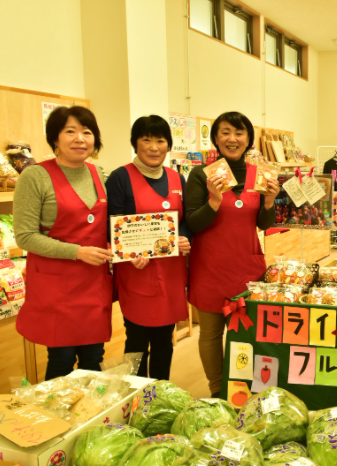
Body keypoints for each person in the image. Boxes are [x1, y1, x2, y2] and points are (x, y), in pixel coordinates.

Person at [14, 106, 113, 380]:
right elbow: (25, 236)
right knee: (62, 360)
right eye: (70, 131)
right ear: (55, 138)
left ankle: (92, 419)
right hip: (56, 286)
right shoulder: (35, 176)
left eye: (87, 131)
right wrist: (77, 252)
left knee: (94, 359)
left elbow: (103, 224)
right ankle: (57, 422)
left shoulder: (98, 173)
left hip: (93, 283)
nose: (80, 138)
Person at [186, 111, 279, 397]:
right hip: (209, 268)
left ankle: (248, 390)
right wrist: (214, 201)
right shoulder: (202, 174)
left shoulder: (260, 175)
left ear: (249, 139)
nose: (232, 138)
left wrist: (270, 202)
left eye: (239, 133)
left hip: (247, 268)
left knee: (249, 335)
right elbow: (192, 222)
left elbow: (263, 224)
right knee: (212, 334)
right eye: (225, 132)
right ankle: (217, 391)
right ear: (215, 138)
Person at [106, 115, 191, 380]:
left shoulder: (178, 179)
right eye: (146, 139)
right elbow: (111, 225)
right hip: (138, 273)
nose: (154, 146)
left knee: (165, 340)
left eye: (160, 140)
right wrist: (129, 255)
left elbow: (185, 221)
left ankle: (159, 395)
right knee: (137, 342)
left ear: (168, 145)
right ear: (135, 143)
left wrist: (185, 238)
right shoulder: (120, 178)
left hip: (171, 273)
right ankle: (135, 398)